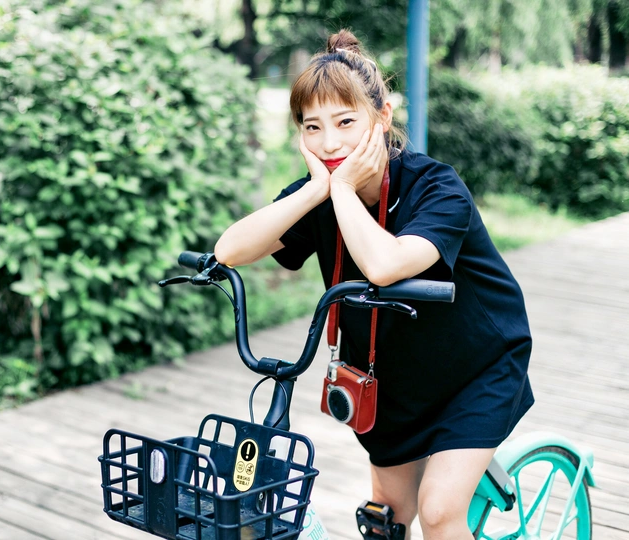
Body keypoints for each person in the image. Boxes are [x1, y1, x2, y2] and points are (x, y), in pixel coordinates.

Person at [214, 29, 534, 540]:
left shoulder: (437, 188)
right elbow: (229, 250)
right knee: (385, 518)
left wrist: (339, 187)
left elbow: (384, 265)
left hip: (476, 370)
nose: (330, 142)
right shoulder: (319, 193)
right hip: (391, 378)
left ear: (382, 116)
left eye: (346, 122)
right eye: (312, 127)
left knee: (439, 511)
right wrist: (316, 191)